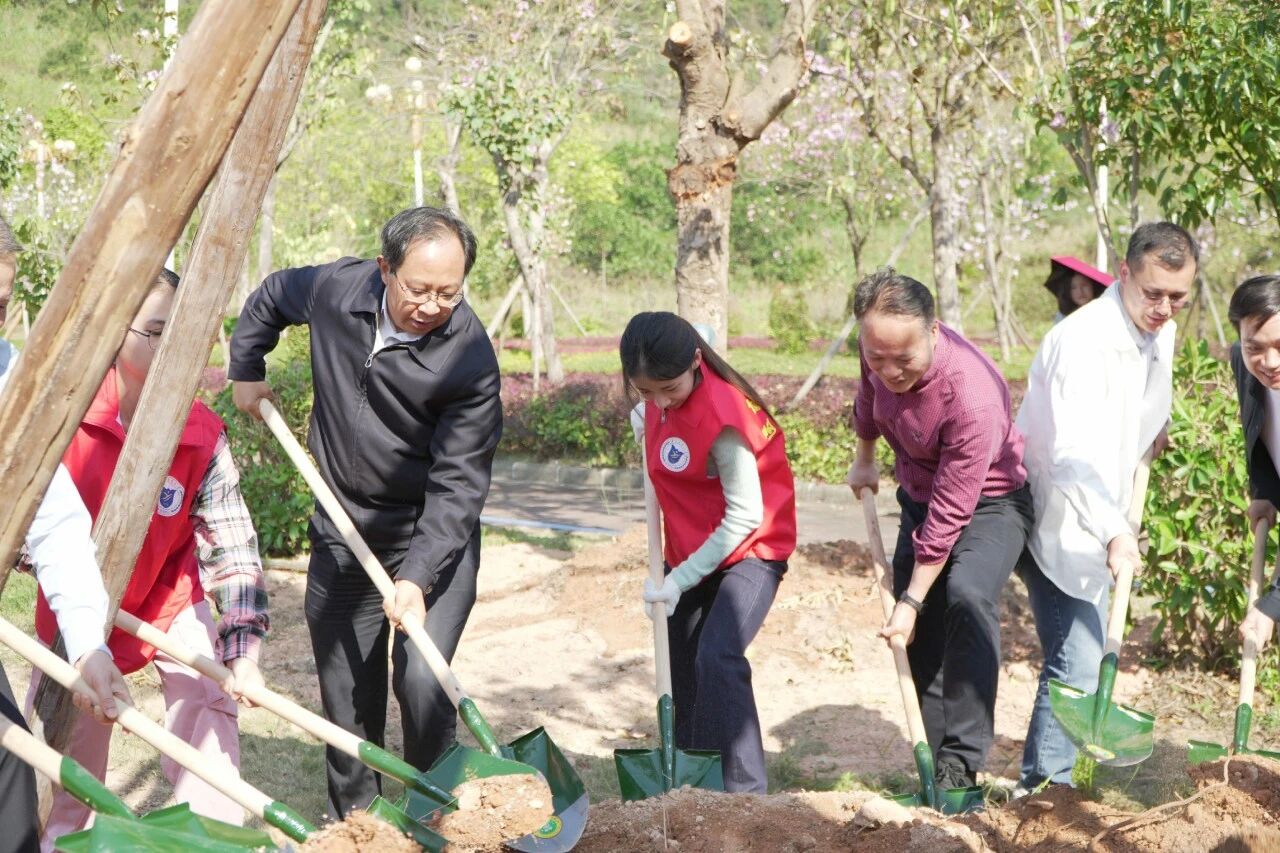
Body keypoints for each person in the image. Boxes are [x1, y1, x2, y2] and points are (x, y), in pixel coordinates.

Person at [228, 206, 501, 817]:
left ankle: (434, 811)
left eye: (449, 293)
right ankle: (362, 822)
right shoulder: (338, 290)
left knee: (424, 683)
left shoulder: (470, 358)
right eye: (419, 288)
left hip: (427, 534)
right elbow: (273, 295)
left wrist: (417, 574)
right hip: (344, 523)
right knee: (347, 691)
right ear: (385, 269)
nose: (433, 305)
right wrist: (247, 366)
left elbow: (459, 484)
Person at [31, 268, 269, 847]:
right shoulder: (66, 420)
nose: (173, 349)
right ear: (117, 332)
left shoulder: (201, 433)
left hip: (168, 600)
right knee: (69, 766)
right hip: (78, 615)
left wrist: (241, 652)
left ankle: (208, 841)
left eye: (185, 332)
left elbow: (232, 546)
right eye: (156, 331)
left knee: (210, 723)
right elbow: (27, 530)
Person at [1014, 222, 1197, 793]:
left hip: (1107, 509)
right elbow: (1070, 457)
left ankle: (1049, 784)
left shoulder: (1158, 329)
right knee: (1079, 661)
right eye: (1153, 293)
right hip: (1058, 515)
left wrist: (1151, 423)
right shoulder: (1081, 341)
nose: (1165, 308)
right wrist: (1116, 532)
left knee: (1079, 662)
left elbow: (1145, 393)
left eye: (1178, 297)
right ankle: (1043, 791)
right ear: (1123, 274)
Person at [846, 268, 1033, 790]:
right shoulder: (878, 353)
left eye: (903, 359)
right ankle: (935, 766)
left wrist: (909, 599)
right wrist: (865, 459)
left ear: (934, 332)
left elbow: (953, 509)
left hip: (993, 502)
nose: (888, 370)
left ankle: (964, 760)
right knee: (920, 632)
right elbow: (867, 401)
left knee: (966, 595)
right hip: (920, 494)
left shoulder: (970, 395)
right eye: (876, 357)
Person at [0, 212, 131, 853]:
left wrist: (87, 648)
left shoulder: (11, 380)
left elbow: (51, 523)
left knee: (8, 791)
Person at [623, 311, 796, 794]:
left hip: (752, 550)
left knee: (717, 656)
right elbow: (670, 378)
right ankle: (696, 788)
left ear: (696, 364)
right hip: (692, 549)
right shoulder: (660, 395)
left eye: (669, 390)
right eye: (645, 392)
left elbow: (744, 517)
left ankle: (745, 795)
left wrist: (676, 581)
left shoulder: (724, 416)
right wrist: (649, 411)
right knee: (681, 664)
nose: (659, 401)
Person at [1227, 275, 1280, 653]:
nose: (1270, 361)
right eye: (1255, 347)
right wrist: (1265, 491)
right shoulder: (1244, 363)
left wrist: (1272, 605)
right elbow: (1257, 425)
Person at [1044, 256, 1111, 322]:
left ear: (1093, 286)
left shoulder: (1105, 311)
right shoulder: (1062, 316)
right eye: (1073, 288)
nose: (1080, 291)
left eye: (1084, 285)